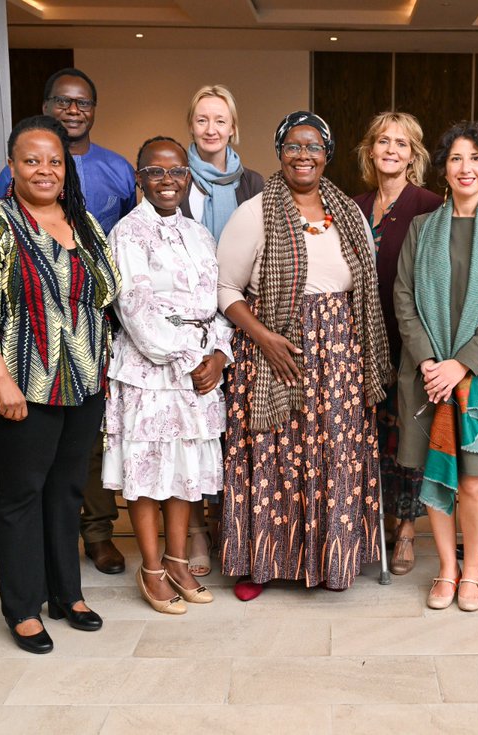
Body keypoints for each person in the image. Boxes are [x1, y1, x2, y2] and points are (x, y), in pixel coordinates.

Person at [0, 115, 120, 653]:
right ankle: (23, 607)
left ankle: (65, 594)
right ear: (12, 166)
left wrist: (104, 369)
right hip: (19, 381)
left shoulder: (86, 223)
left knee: (67, 488)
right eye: (32, 160)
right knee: (23, 492)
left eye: (55, 161)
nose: (45, 169)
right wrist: (0, 380)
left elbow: (104, 302)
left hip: (82, 382)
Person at [217, 111, 391, 599]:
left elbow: (364, 287)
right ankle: (262, 565)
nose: (303, 155)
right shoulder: (254, 211)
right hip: (274, 351)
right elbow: (225, 287)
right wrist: (265, 338)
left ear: (327, 155)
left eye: (313, 147)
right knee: (273, 454)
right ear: (279, 152)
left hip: (340, 351)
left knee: (334, 452)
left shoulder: (349, 212)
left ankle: (331, 561)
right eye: (293, 146)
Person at [0, 68, 135, 576]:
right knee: (34, 474)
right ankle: (35, 577)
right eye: (63, 101)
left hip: (91, 335)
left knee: (81, 459)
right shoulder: (1, 207)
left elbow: (122, 256)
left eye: (83, 103)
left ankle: (94, 538)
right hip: (28, 352)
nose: (73, 110)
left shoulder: (114, 174)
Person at [394, 121, 478, 612]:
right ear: (443, 169)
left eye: (476, 159)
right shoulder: (422, 227)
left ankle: (472, 569)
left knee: (473, 477)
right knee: (435, 468)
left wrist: (461, 365)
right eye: (456, 158)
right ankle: (446, 569)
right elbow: (403, 297)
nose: (465, 167)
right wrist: (431, 361)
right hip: (426, 373)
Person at [103, 136, 232, 614]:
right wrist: (188, 360)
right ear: (140, 179)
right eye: (155, 172)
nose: (167, 181)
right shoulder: (127, 234)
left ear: (188, 177)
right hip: (150, 372)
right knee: (146, 473)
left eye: (176, 171)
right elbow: (135, 310)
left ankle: (179, 562)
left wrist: (219, 355)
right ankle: (152, 567)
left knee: (183, 473)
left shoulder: (200, 234)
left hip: (200, 371)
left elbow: (218, 303)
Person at [352, 111, 443, 575]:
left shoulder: (430, 205)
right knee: (366, 440)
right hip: (356, 343)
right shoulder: (352, 205)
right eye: (383, 141)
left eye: (401, 143)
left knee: (406, 438)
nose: (391, 149)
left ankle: (406, 530)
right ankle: (371, 525)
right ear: (371, 150)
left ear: (414, 154)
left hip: (409, 340)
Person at [179, 84, 265, 577]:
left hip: (241, 319)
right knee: (193, 428)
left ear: (234, 127)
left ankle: (228, 523)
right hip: (188, 322)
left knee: (234, 431)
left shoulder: (254, 182)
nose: (211, 129)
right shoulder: (171, 175)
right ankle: (194, 530)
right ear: (191, 124)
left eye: (220, 120)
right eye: (202, 120)